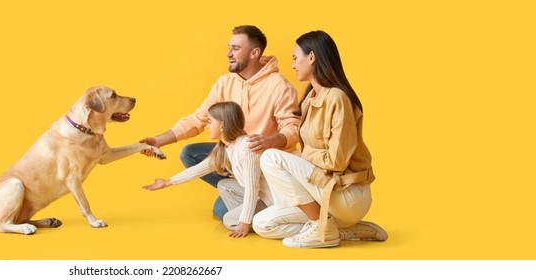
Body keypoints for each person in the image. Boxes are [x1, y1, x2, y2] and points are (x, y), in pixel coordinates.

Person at [140, 25, 300, 220]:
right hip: (237, 156)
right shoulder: (225, 82)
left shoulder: (279, 86)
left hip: (263, 163)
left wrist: (270, 141)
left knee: (222, 212)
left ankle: (265, 200)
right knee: (190, 154)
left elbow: (293, 128)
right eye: (229, 47)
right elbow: (198, 119)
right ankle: (248, 193)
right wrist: (158, 141)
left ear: (254, 53)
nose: (228, 53)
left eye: (235, 48)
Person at [255, 30, 387, 248]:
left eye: (296, 58)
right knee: (262, 224)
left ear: (312, 57)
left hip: (346, 194)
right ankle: (342, 230)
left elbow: (337, 161)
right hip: (323, 191)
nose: (293, 65)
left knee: (270, 157)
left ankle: (321, 224)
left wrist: (302, 156)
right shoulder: (309, 100)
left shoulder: (338, 98)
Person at [143, 102, 279, 238]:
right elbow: (198, 169)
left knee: (228, 220)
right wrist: (167, 182)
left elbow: (252, 188)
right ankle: (249, 215)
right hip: (258, 196)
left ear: (221, 125)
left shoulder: (246, 147)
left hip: (270, 200)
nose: (207, 126)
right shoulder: (226, 148)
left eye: (209, 122)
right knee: (223, 185)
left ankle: (265, 219)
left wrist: (244, 222)